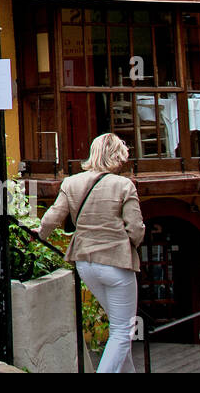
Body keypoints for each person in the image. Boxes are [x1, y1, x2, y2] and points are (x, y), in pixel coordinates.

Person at [35, 132, 145, 373]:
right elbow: (135, 229)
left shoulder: (71, 183)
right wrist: (131, 244)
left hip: (85, 263)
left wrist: (40, 234)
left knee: (118, 328)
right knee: (123, 331)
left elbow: (53, 217)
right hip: (116, 262)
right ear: (117, 156)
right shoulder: (124, 185)